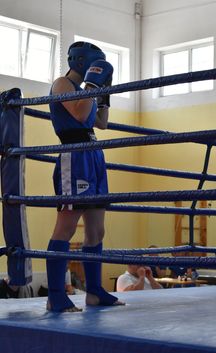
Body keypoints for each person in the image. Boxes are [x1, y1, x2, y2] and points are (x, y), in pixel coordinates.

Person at [47, 41, 124, 312]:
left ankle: (94, 292)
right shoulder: (61, 85)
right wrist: (92, 85)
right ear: (80, 61)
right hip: (74, 155)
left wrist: (104, 94)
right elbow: (80, 114)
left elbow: (101, 123)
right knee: (67, 226)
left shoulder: (85, 92)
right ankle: (55, 295)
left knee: (96, 229)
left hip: (93, 155)